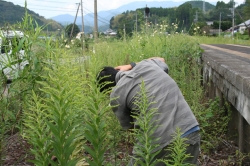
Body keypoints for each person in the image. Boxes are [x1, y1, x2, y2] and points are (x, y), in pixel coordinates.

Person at [97, 57, 200, 166]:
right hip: (191, 130)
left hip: (158, 143)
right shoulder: (148, 65)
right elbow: (161, 59)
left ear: (108, 90)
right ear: (118, 71)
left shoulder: (116, 93)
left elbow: (131, 130)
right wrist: (131, 65)